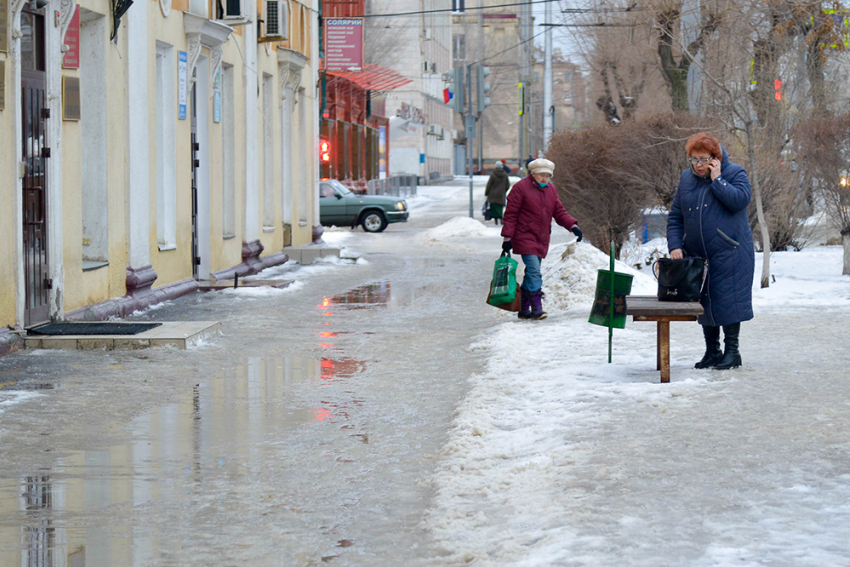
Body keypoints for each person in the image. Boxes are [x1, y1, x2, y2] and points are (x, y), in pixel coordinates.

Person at [667, 133, 755, 370]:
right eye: (694, 160)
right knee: (704, 302)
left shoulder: (734, 173)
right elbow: (676, 216)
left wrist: (718, 180)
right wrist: (676, 245)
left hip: (731, 251)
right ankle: (712, 351)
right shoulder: (687, 179)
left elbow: (740, 200)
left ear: (715, 158)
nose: (698, 165)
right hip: (698, 255)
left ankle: (733, 352)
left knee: (728, 300)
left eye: (703, 159)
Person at [501, 158, 583, 320]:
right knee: (534, 271)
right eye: (541, 175)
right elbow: (510, 214)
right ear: (533, 174)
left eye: (547, 175)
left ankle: (524, 309)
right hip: (524, 235)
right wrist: (507, 237)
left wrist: (573, 226)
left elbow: (559, 212)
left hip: (542, 238)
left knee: (532, 273)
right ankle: (537, 307)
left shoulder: (551, 190)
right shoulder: (520, 188)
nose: (545, 179)